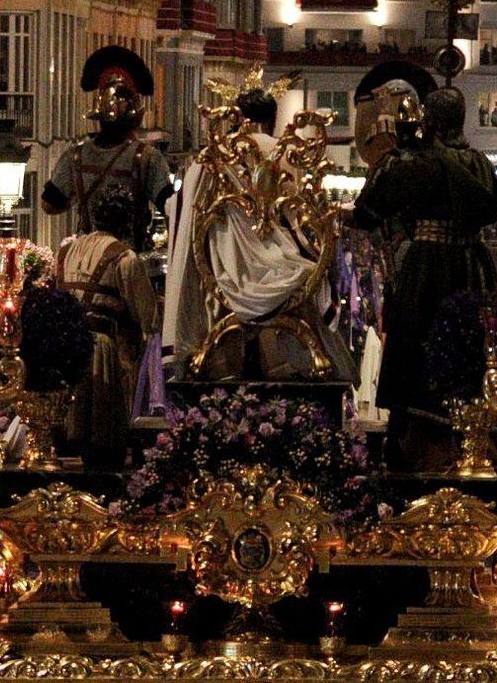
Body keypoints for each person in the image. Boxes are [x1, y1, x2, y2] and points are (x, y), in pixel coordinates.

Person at [351, 85, 497, 468]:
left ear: (429, 121)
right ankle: (479, 440)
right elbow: (493, 206)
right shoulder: (480, 164)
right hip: (474, 265)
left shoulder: (413, 162)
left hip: (427, 269)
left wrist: (395, 152)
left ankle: (418, 446)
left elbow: (366, 210)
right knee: (477, 351)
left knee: (416, 352)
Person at [163, 73, 351, 381]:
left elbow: (179, 210)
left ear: (235, 118)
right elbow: (299, 217)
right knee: (314, 268)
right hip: (280, 267)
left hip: (224, 270)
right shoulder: (286, 152)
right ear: (273, 120)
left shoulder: (211, 157)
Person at [57, 186, 161, 469]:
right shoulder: (124, 258)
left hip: (65, 348)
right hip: (101, 350)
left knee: (68, 430)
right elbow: (148, 317)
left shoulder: (66, 252)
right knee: (103, 433)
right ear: (127, 221)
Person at [42, 45, 172, 251]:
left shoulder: (75, 156)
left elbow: (49, 204)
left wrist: (80, 194)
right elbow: (169, 207)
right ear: (135, 119)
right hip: (131, 253)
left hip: (86, 256)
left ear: (99, 117)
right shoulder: (148, 158)